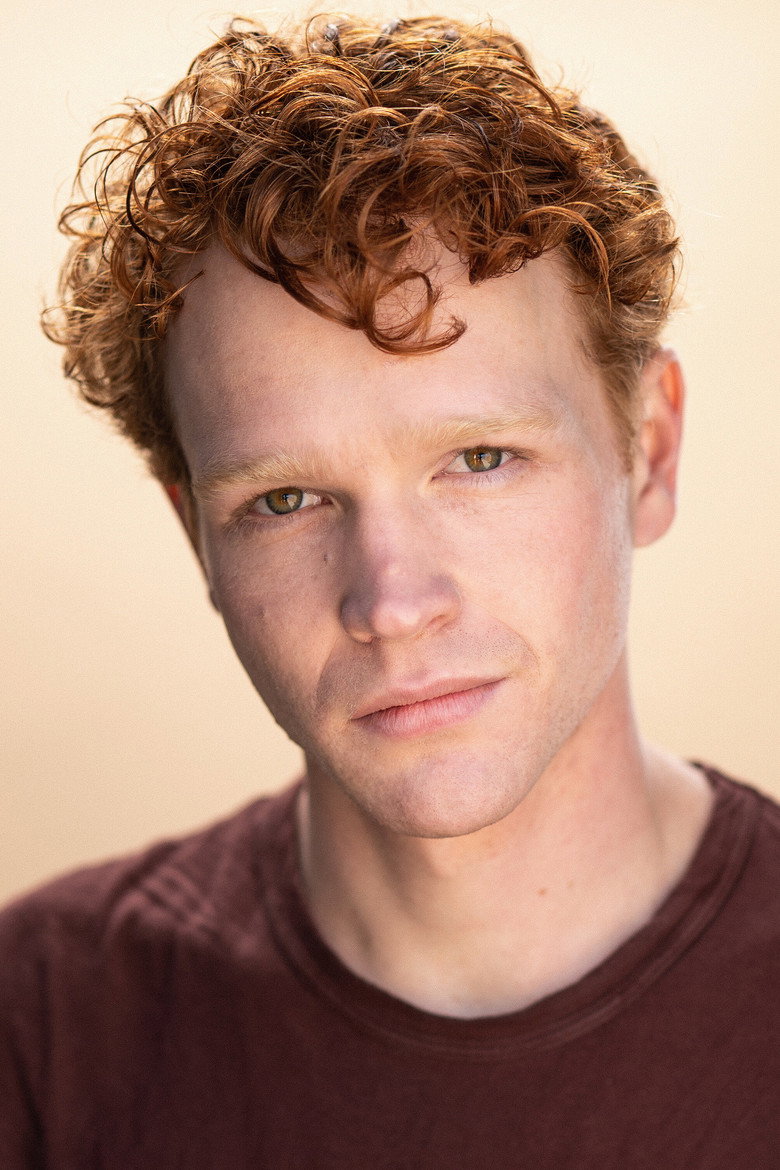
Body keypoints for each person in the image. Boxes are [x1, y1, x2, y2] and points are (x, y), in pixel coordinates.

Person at [1, 12, 777, 1167]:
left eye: (480, 459)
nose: (393, 602)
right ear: (195, 536)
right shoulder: (41, 1033)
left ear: (651, 453)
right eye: (285, 499)